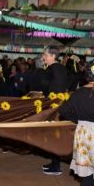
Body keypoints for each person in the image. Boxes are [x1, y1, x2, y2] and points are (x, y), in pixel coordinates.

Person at [41, 45, 68, 175]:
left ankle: (56, 166)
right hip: (59, 104)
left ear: (53, 56)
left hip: (54, 106)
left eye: (45, 55)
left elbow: (50, 89)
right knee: (54, 134)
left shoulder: (53, 70)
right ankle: (54, 162)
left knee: (53, 135)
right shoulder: (61, 68)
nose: (43, 58)